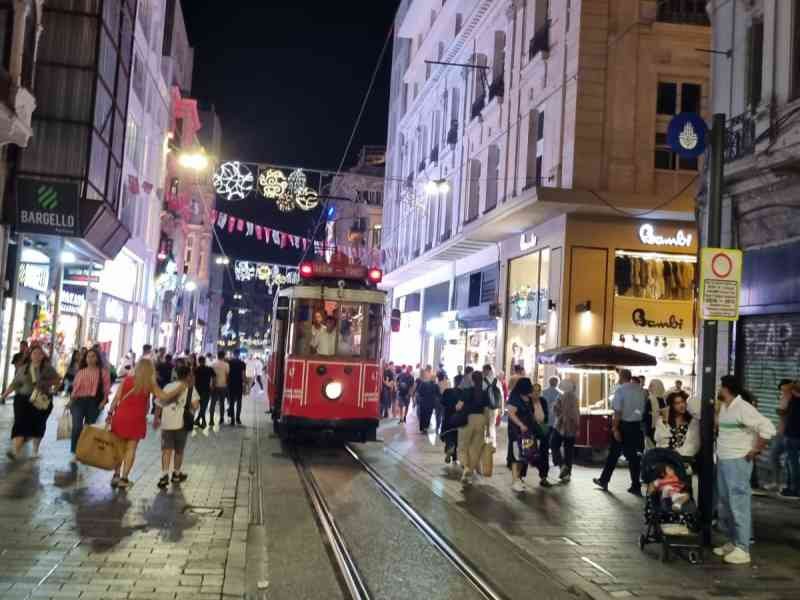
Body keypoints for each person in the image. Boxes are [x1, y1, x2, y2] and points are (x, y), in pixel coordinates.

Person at [713, 375, 776, 564]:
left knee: (738, 503)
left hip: (738, 462)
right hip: (724, 460)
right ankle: (733, 541)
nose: (718, 389)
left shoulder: (743, 407)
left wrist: (756, 449)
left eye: (720, 386)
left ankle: (743, 547)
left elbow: (768, 428)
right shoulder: (725, 407)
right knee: (725, 503)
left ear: (726, 388)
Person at [106, 359, 187, 489]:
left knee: (119, 448)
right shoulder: (149, 384)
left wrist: (110, 414)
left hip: (120, 417)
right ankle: (124, 478)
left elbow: (116, 398)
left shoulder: (127, 380)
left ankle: (116, 475)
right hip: (136, 419)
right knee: (131, 449)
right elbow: (164, 396)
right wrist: (179, 388)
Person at [594, 369, 646, 495]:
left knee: (613, 454)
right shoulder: (640, 390)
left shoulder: (620, 390)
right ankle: (635, 485)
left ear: (622, 377)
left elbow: (618, 412)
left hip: (623, 425)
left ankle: (604, 480)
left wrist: (615, 428)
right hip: (636, 426)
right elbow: (641, 410)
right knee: (634, 457)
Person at [3, 344, 60, 460]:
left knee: (38, 424)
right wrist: (5, 394)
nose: (37, 356)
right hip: (22, 399)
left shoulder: (47, 368)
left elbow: (58, 380)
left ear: (43, 356)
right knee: (20, 422)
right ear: (30, 355)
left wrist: (45, 384)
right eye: (34, 353)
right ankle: (15, 451)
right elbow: (15, 383)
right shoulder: (23, 368)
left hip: (40, 400)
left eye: (40, 354)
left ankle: (35, 450)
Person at [154, 365, 200, 488]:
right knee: (179, 451)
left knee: (166, 451)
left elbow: (158, 403)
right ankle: (176, 474)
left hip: (167, 423)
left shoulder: (168, 386)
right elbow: (195, 406)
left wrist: (156, 419)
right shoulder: (190, 389)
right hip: (181, 425)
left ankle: (164, 476)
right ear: (188, 376)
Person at [67, 348, 111, 460]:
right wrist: (71, 401)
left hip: (94, 402)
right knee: (77, 426)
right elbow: (75, 389)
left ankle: (84, 450)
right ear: (85, 359)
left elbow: (106, 389)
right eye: (88, 356)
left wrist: (103, 402)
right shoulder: (81, 372)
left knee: (88, 429)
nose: (90, 359)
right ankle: (74, 451)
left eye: (93, 356)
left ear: (97, 358)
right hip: (78, 402)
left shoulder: (103, 372)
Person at [507, 378, 544, 491]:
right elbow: (511, 413)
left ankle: (518, 479)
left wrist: (536, 402)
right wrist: (520, 425)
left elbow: (539, 417)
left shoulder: (529, 398)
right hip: (516, 431)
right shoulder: (515, 398)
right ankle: (515, 481)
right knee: (517, 456)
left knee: (524, 455)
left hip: (527, 432)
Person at [456, 371, 493, 484]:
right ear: (481, 380)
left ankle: (466, 467)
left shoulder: (466, 392)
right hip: (481, 420)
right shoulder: (484, 393)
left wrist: (457, 407)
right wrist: (487, 428)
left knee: (463, 446)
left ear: (472, 380)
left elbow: (458, 407)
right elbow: (487, 412)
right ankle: (468, 474)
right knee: (474, 450)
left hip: (467, 420)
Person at [655, 391, 700, 457]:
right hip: (665, 457)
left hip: (684, 458)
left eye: (683, 402)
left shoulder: (692, 421)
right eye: (677, 403)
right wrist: (665, 422)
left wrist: (677, 454)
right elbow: (660, 441)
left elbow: (694, 445)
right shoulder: (663, 421)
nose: (682, 405)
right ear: (671, 405)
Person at [552, 379, 580, 482]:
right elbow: (576, 414)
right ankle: (567, 474)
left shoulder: (560, 396)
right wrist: (577, 427)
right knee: (569, 451)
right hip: (571, 427)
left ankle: (562, 465)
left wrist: (560, 414)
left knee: (554, 445)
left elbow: (555, 409)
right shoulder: (575, 398)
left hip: (560, 426)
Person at [770, 379, 794, 492]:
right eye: (782, 390)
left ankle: (790, 485)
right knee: (774, 456)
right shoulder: (783, 398)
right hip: (780, 432)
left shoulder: (795, 399)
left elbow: (787, 413)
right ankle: (777, 482)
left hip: (791, 434)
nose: (784, 392)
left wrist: (782, 411)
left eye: (786, 390)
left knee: (790, 460)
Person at [780, 381, 800, 498]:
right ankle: (791, 487)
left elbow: (781, 409)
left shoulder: (792, 400)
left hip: (792, 436)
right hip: (794, 435)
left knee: (792, 464)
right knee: (792, 463)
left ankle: (793, 489)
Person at [542, 376, 562, 464]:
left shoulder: (543, 392)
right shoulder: (561, 394)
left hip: (544, 420)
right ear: (557, 383)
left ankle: (544, 458)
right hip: (556, 421)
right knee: (554, 442)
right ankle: (555, 460)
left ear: (549, 382)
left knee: (544, 440)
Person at [482, 364, 502, 447]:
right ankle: (493, 443)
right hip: (494, 407)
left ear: (487, 370)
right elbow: (501, 395)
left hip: (485, 406)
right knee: (492, 425)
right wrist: (501, 408)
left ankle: (485, 442)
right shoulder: (497, 381)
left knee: (485, 425)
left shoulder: (483, 381)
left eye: (484, 370)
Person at [415, 368, 440, 433]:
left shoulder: (424, 383)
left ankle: (422, 428)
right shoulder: (436, 386)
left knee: (423, 415)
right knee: (428, 416)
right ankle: (425, 428)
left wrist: (418, 400)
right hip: (431, 403)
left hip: (423, 402)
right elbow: (438, 394)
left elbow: (419, 392)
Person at [193, 355, 215, 428]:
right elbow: (214, 377)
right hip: (206, 390)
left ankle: (198, 420)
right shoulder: (209, 369)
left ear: (199, 362)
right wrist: (212, 385)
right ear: (205, 361)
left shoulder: (196, 369)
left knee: (199, 406)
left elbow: (193, 379)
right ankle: (203, 421)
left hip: (198, 390)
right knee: (204, 406)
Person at [227, 349, 247, 425]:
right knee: (239, 402)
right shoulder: (242, 363)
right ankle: (238, 418)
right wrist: (244, 383)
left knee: (231, 402)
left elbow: (228, 373)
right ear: (239, 354)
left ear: (233, 354)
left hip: (231, 384)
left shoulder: (229, 362)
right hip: (239, 384)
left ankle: (232, 419)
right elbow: (243, 375)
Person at [210, 351, 229, 427]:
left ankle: (211, 419)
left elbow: (211, 376)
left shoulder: (213, 364)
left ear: (217, 356)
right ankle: (221, 418)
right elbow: (227, 375)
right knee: (222, 403)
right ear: (223, 356)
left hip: (214, 386)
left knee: (213, 403)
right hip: (223, 386)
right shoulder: (226, 365)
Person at [645, 379, 667, 445]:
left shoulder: (651, 399)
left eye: (651, 386)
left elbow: (645, 414)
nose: (649, 387)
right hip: (662, 428)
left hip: (651, 427)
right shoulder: (664, 399)